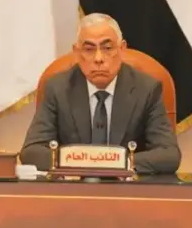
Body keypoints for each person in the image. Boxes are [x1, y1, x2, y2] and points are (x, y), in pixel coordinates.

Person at [19, 13, 181, 175]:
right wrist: (83, 162)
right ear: (76, 52)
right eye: (89, 49)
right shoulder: (57, 88)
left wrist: (117, 163)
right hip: (74, 186)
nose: (98, 58)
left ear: (122, 49)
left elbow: (169, 155)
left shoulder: (146, 89)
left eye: (107, 48)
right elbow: (32, 152)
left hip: (126, 187)